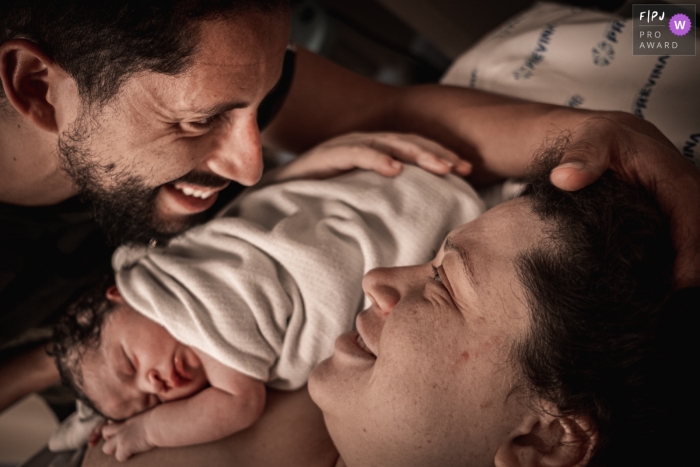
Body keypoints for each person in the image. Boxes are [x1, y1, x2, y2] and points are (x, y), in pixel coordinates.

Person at [82, 124, 695, 467]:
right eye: (434, 261)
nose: (376, 279)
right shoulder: (348, 406)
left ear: (546, 439)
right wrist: (620, 123)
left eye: (447, 287)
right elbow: (674, 19)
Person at [51, 150, 483, 459]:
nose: (154, 384)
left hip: (375, 224)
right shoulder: (191, 335)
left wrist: (147, 429)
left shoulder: (172, 286)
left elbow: (239, 404)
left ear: (117, 297)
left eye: (130, 363)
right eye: (150, 402)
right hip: (413, 210)